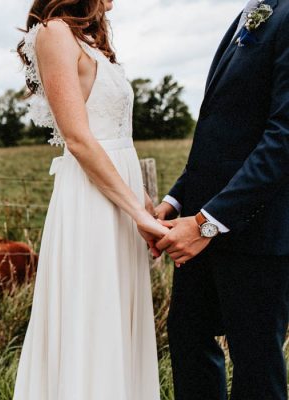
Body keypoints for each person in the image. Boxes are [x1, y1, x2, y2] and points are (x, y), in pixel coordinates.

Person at [12, 0, 165, 398]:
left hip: (119, 194)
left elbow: (116, 134)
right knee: (93, 314)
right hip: (92, 201)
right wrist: (137, 211)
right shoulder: (54, 33)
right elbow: (78, 139)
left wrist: (142, 201)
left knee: (116, 317)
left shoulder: (90, 39)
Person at [152, 0, 289, 399]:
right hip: (200, 224)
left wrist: (207, 222)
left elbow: (282, 139)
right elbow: (222, 133)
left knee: (256, 367)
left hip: (256, 232)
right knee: (188, 341)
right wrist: (177, 200)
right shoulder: (254, 10)